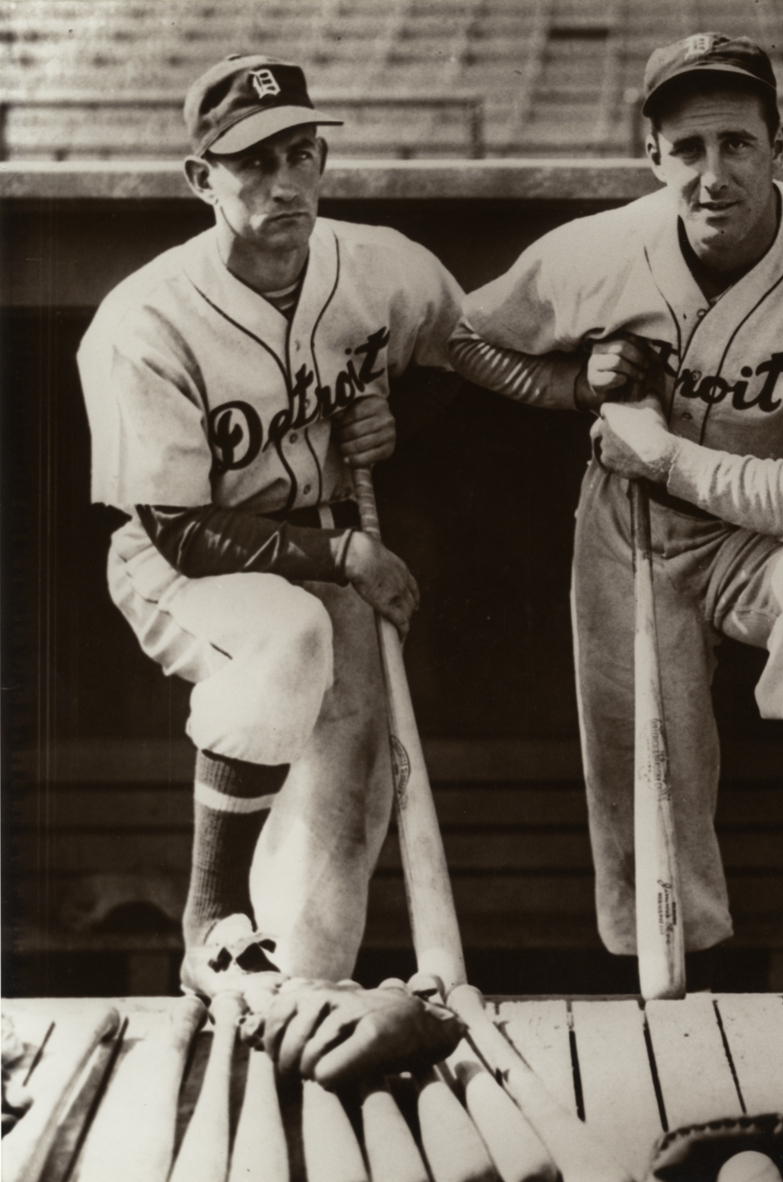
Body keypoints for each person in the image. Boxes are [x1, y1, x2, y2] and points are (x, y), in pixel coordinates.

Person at [450, 33, 783, 992]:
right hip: (633, 527)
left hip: (780, 527)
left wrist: (666, 456)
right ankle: (665, 986)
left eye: (737, 144)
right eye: (687, 149)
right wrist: (568, 386)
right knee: (644, 766)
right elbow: (463, 337)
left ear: (781, 145)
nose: (712, 173)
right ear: (653, 157)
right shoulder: (598, 250)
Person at [78, 54, 465, 994]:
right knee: (285, 636)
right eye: (253, 162)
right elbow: (176, 527)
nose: (286, 183)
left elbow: (477, 351)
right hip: (183, 565)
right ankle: (209, 921)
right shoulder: (142, 319)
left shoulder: (378, 265)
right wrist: (344, 553)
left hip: (331, 551)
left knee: (349, 787)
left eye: (302, 152)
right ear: (200, 178)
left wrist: (406, 415)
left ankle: (301, 995)